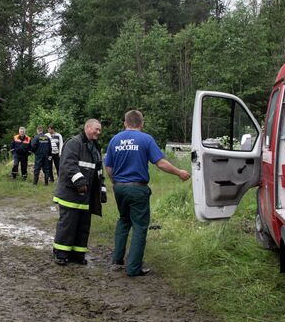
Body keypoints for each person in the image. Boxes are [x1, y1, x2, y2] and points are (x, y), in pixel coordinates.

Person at [104, 110, 190, 277]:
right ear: (141, 124)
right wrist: (179, 172)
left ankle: (117, 261)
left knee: (124, 220)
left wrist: (116, 182)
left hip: (119, 188)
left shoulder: (115, 139)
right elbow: (161, 163)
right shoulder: (146, 139)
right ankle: (133, 268)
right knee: (139, 226)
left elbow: (109, 167)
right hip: (138, 188)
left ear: (125, 123)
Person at [52, 119, 107, 265]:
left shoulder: (95, 147)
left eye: (100, 130)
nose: (98, 132)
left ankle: (78, 255)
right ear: (87, 127)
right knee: (68, 225)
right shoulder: (74, 143)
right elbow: (68, 164)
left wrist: (101, 190)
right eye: (96, 129)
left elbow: (98, 171)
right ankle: (61, 254)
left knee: (83, 226)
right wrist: (80, 181)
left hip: (86, 197)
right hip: (70, 194)